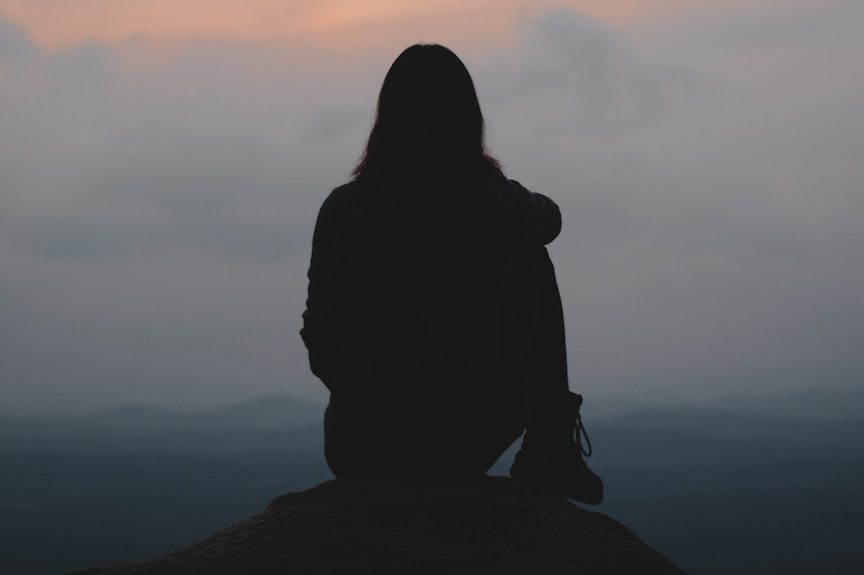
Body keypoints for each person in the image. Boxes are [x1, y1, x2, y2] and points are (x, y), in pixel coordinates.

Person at [301, 44, 603, 504]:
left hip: (357, 442)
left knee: (524, 249)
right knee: (531, 260)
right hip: (462, 437)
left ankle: (543, 446)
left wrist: (369, 387)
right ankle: (550, 447)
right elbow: (551, 220)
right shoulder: (493, 204)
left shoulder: (342, 208)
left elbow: (318, 338)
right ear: (467, 118)